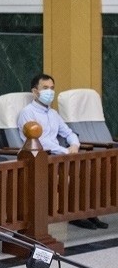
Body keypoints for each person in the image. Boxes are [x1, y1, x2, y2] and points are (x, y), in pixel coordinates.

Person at [17, 73, 106, 230]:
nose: (50, 92)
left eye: (52, 88)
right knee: (76, 171)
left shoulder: (53, 113)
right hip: (40, 158)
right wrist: (65, 151)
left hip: (59, 156)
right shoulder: (27, 112)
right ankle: (76, 214)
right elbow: (39, 141)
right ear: (35, 92)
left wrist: (74, 145)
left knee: (89, 169)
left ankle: (88, 212)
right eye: (45, 88)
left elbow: (68, 133)